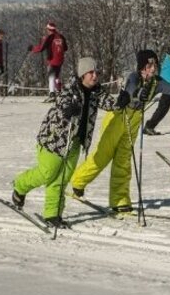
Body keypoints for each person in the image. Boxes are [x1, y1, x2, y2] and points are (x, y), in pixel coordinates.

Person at [10, 56, 118, 227]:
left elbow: (111, 103)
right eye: (91, 72)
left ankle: (53, 214)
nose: (95, 76)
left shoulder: (97, 92)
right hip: (55, 139)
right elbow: (62, 102)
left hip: (74, 141)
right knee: (48, 173)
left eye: (96, 72)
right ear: (83, 74)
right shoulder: (71, 89)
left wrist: (126, 100)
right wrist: (68, 109)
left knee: (62, 178)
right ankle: (20, 186)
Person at [69, 50, 159, 213]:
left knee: (123, 161)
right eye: (149, 65)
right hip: (117, 119)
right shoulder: (134, 77)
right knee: (102, 157)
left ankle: (120, 200)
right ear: (142, 67)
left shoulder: (155, 83)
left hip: (133, 123)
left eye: (154, 65)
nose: (152, 69)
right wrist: (138, 93)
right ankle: (78, 181)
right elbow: (130, 89)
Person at [29, 21, 68, 94]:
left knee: (51, 76)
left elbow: (41, 48)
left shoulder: (49, 37)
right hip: (60, 60)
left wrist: (32, 49)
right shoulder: (61, 36)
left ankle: (52, 93)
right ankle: (59, 91)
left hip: (52, 59)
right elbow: (66, 48)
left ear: (48, 29)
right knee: (57, 76)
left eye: (47, 29)